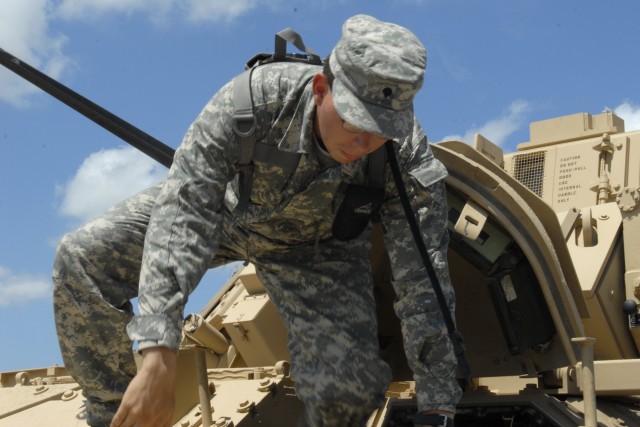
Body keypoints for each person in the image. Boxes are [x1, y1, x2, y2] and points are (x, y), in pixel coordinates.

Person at [53, 14, 462, 427]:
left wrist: (438, 401)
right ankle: (117, 417)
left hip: (315, 250)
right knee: (83, 256)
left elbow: (423, 278)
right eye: (355, 122)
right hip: (222, 214)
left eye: (381, 130)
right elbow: (184, 213)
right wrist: (157, 352)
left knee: (347, 393)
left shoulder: (405, 157)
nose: (364, 143)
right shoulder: (251, 102)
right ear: (322, 88)